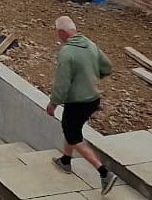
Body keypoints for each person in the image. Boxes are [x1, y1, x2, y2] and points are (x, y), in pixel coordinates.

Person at [46, 15, 116, 192]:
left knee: (73, 135)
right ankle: (66, 161)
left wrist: (53, 103)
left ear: (62, 33)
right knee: (71, 127)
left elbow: (62, 83)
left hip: (77, 102)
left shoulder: (67, 53)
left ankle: (104, 173)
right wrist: (91, 78)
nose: (57, 37)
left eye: (57, 33)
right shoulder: (90, 44)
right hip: (93, 99)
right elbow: (107, 67)